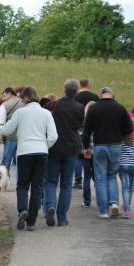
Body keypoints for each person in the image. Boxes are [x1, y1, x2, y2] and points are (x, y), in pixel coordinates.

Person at [0, 87, 58, 231]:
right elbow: (53, 136)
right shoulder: (46, 113)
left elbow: (6, 130)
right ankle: (31, 221)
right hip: (41, 152)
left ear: (25, 99)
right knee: (37, 186)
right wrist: (45, 146)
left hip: (24, 152)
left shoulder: (20, 113)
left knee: (23, 185)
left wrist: (0, 127)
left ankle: (22, 210)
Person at [82, 87, 134, 219]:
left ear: (100, 96)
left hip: (99, 146)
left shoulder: (93, 108)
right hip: (116, 145)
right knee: (111, 176)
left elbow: (86, 130)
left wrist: (86, 148)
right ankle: (115, 203)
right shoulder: (120, 108)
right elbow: (129, 128)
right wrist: (118, 132)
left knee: (100, 179)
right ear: (112, 95)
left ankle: (104, 211)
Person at [43, 79, 84, 226]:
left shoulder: (51, 105)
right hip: (71, 148)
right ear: (76, 92)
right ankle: (61, 217)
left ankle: (50, 206)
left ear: (64, 90)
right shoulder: (79, 107)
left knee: (50, 182)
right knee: (66, 185)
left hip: (53, 148)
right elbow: (79, 126)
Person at [73, 79, 100, 189]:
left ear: (79, 86)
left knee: (79, 155)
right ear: (89, 85)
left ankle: (78, 180)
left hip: (80, 125)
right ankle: (95, 177)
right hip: (94, 126)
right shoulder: (95, 97)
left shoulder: (75, 97)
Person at [0, 87, 24, 175]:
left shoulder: (4, 105)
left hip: (10, 136)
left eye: (4, 96)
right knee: (20, 162)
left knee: (6, 161)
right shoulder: (24, 103)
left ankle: (3, 182)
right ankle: (20, 184)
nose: (4, 98)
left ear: (9, 94)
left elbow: (1, 123)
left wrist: (1, 137)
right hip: (23, 136)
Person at [81, 101, 96, 208]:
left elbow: (81, 136)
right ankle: (102, 197)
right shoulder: (100, 122)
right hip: (98, 152)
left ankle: (87, 201)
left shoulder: (84, 122)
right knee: (99, 177)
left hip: (86, 152)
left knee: (86, 177)